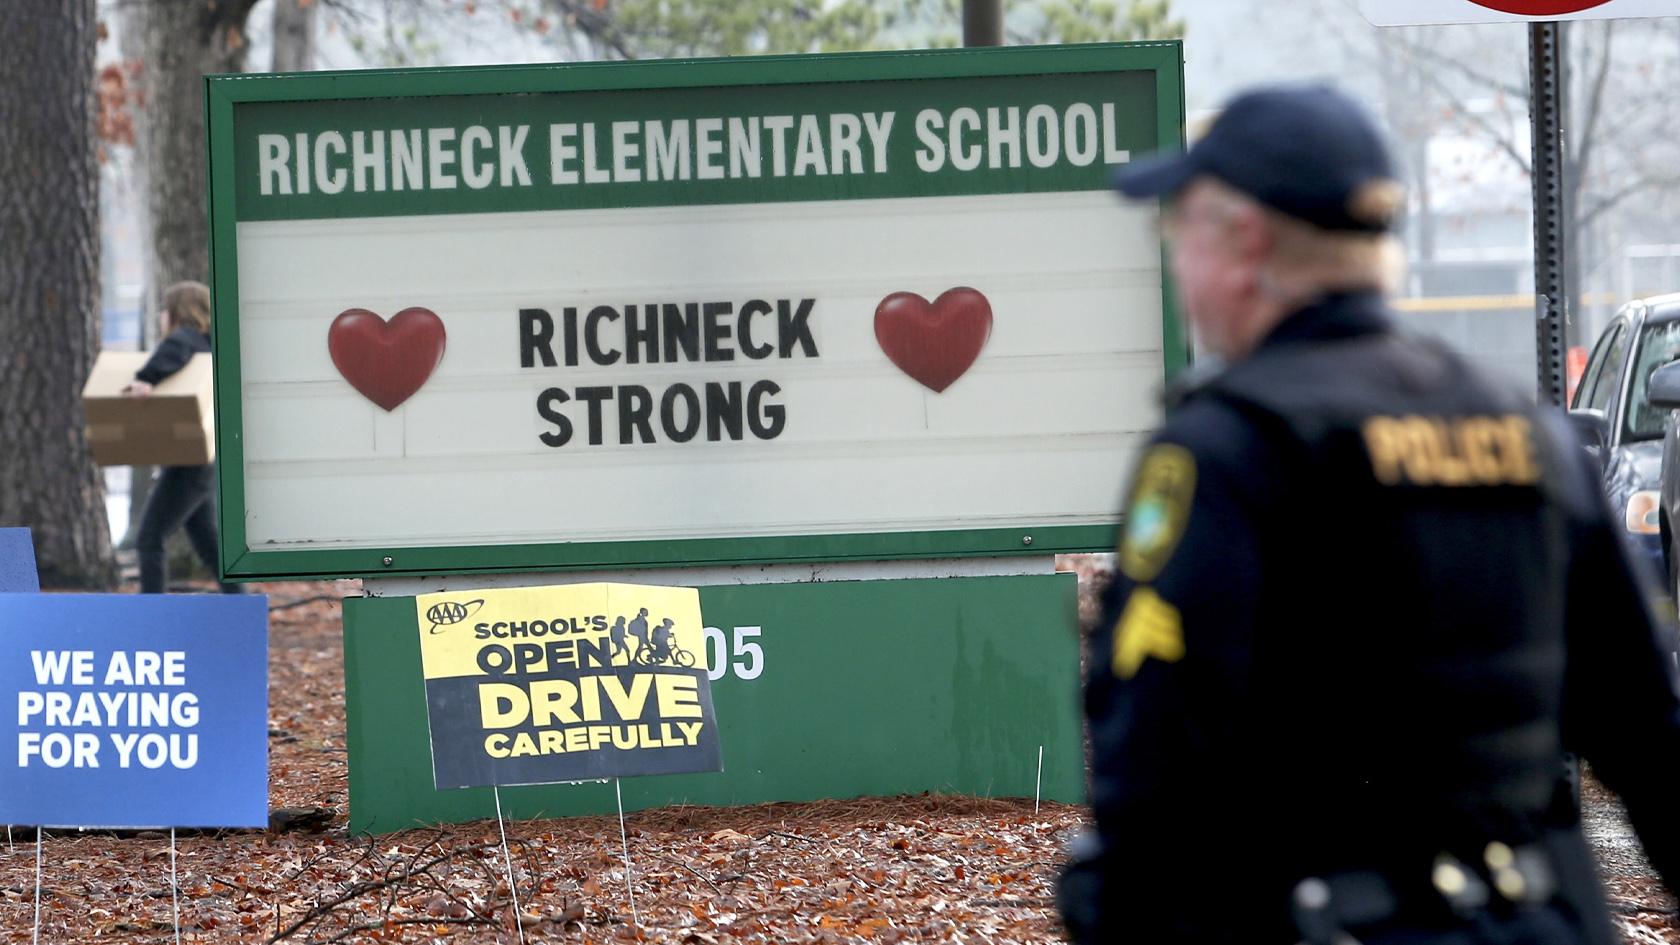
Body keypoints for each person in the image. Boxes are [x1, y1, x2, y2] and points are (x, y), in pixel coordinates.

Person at [1058, 84, 1680, 945]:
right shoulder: (1527, 434)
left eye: (1179, 231)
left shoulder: (1230, 451)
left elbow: (1154, 771)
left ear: (1243, 241)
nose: (1177, 266)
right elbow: (1652, 740)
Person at [122, 281, 242, 594]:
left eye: (164, 310)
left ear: (177, 312)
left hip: (187, 462)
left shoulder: (184, 338)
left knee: (149, 538)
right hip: (205, 458)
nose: (161, 317)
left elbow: (172, 352)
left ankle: (151, 614)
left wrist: (146, 380)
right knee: (206, 541)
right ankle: (240, 605)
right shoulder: (213, 344)